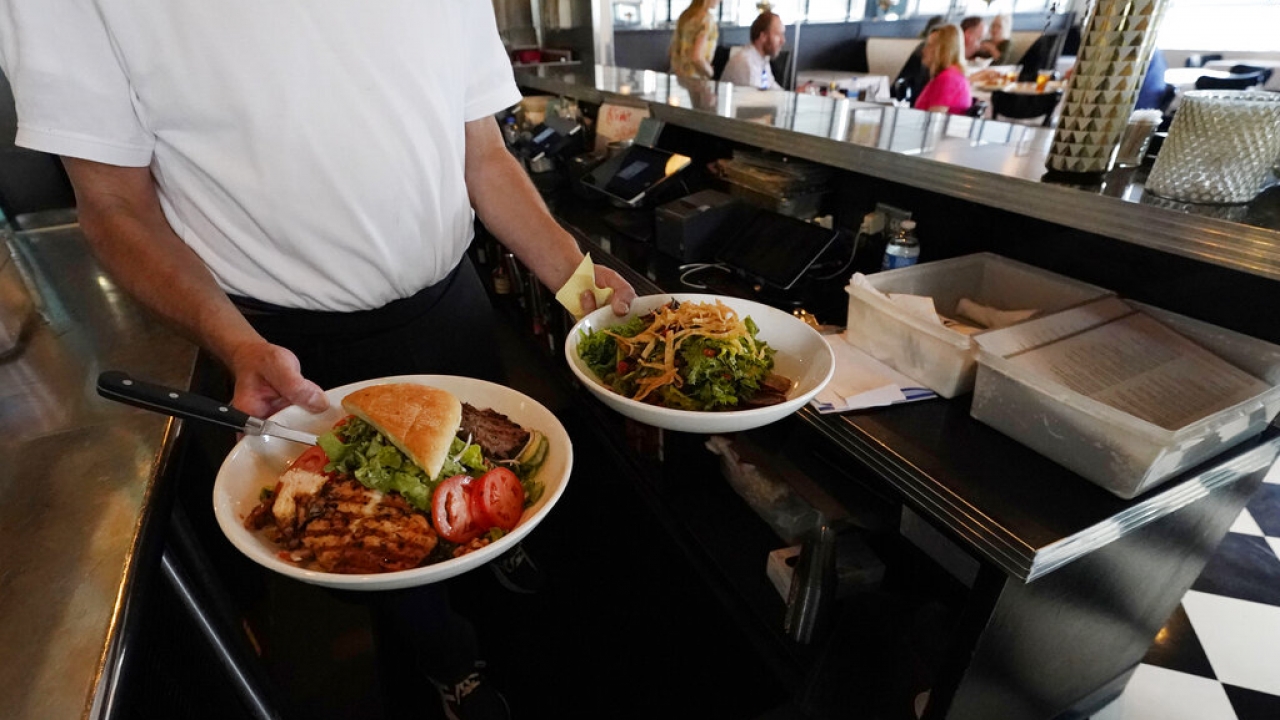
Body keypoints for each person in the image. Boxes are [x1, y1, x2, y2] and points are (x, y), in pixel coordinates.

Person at [0, 3, 635, 720]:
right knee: (391, 555)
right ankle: (449, 670)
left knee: (493, 477)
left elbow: (481, 152)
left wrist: (577, 281)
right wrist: (237, 345)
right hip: (289, 352)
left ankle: (497, 562)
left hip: (449, 306)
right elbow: (113, 205)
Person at [914, 25, 973, 116]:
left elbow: (934, 121)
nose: (924, 50)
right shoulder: (954, 74)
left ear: (942, 50)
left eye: (929, 46)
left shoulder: (948, 79)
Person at [720, 11, 786, 90]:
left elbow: (771, 87)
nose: (783, 41)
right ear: (763, 36)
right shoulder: (746, 63)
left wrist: (793, 94)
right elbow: (758, 99)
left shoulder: (762, 59)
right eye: (778, 35)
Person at [670, 0, 722, 79]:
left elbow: (672, 51)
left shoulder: (685, 16)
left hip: (679, 79)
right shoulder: (706, 20)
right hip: (697, 81)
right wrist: (710, 72)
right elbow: (697, 58)